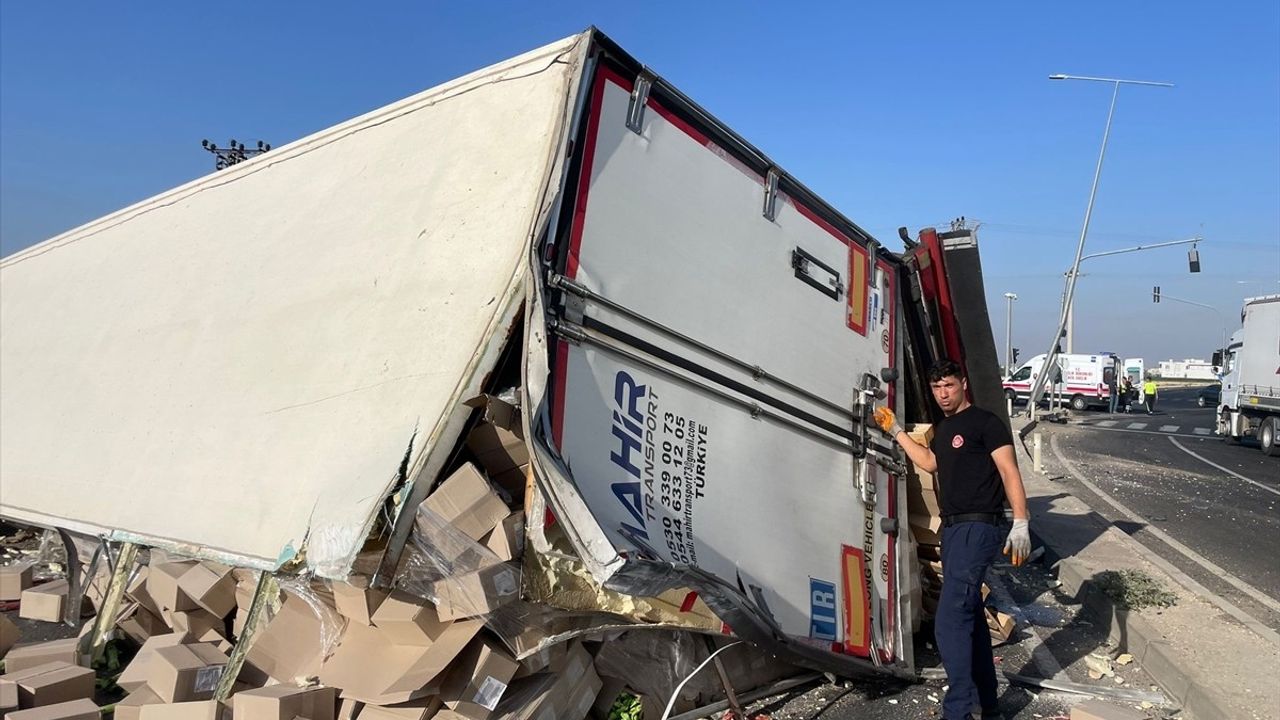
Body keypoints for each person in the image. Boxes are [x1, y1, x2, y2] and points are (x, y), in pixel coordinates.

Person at [874, 360, 1030, 720]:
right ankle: (987, 705)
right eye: (936, 388)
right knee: (971, 616)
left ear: (963, 384)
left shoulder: (986, 424)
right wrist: (896, 430)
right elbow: (929, 463)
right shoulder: (945, 430)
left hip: (979, 526)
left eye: (949, 385)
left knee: (949, 619)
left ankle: (957, 711)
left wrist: (1021, 519)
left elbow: (1009, 470)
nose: (943, 394)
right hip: (955, 529)